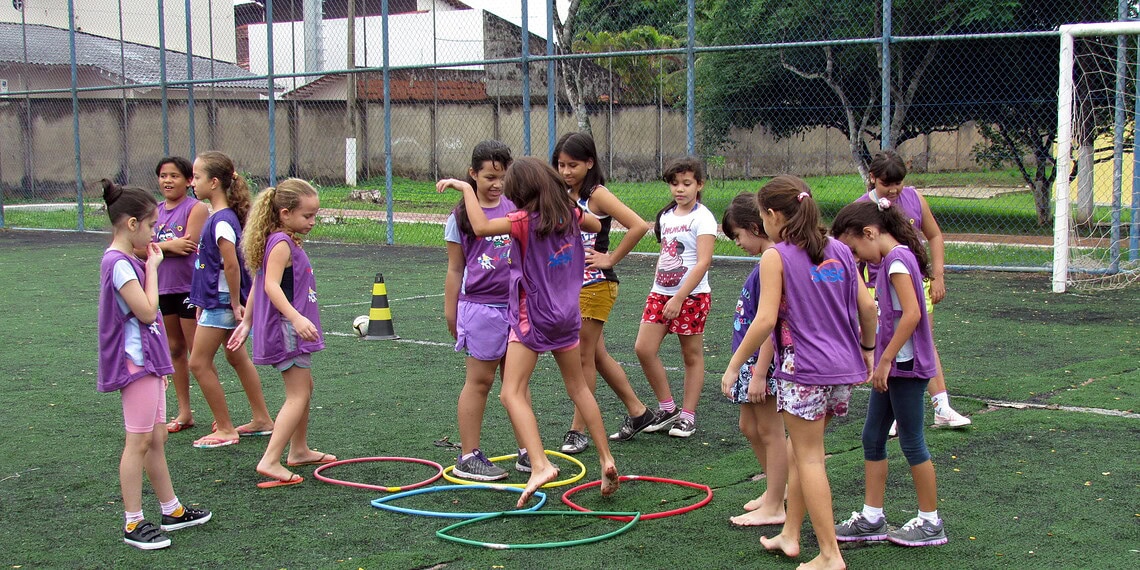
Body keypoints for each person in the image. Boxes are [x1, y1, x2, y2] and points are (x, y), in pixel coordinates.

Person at [437, 157, 621, 508]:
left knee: (511, 392)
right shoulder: (570, 214)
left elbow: (478, 226)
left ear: (521, 193)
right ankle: (606, 458)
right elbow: (598, 225)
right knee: (578, 386)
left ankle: (539, 465)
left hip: (533, 317)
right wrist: (569, 208)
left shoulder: (522, 220)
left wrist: (464, 187)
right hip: (568, 315)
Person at [720, 176, 877, 570]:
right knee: (802, 451)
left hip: (803, 369)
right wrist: (868, 351)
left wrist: (735, 364)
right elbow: (868, 308)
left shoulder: (776, 256)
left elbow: (764, 320)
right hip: (841, 369)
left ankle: (829, 554)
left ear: (772, 216)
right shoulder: (840, 249)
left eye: (761, 215)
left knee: (809, 458)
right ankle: (791, 534)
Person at [98, 179, 212, 550]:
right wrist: (153, 269)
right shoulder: (120, 263)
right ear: (132, 224)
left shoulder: (128, 259)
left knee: (157, 438)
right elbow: (147, 312)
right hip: (135, 364)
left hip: (149, 361)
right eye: (150, 227)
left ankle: (171, 509)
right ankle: (133, 522)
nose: (154, 235)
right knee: (139, 441)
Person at [830, 198, 949, 547]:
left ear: (870, 233)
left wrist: (885, 361)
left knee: (912, 441)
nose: (855, 257)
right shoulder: (892, 260)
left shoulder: (896, 261)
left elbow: (912, 315)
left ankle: (930, 522)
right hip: (895, 366)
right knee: (872, 437)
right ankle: (872, 517)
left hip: (906, 368)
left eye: (854, 248)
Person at [228, 178, 336, 488]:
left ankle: (299, 450)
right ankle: (270, 459)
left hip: (288, 326)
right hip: (288, 329)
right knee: (298, 394)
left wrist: (246, 322)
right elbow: (270, 286)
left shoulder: (282, 240)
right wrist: (296, 317)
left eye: (315, 215)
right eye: (307, 216)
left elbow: (260, 284)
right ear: (285, 213)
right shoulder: (281, 244)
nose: (312, 222)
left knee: (306, 388)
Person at [551, 132, 653, 454]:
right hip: (571, 287)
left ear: (589, 163)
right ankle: (639, 412)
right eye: (560, 165)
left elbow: (638, 225)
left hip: (595, 285)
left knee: (582, 357)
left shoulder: (597, 195)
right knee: (596, 354)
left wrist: (610, 258)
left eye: (573, 165)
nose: (566, 171)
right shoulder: (563, 194)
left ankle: (577, 430)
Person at [858, 150, 971, 431]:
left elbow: (934, 235)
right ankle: (896, 410)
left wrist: (938, 276)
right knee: (888, 348)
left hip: (916, 283)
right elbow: (851, 256)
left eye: (899, 183)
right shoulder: (861, 210)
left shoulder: (914, 198)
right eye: (887, 183)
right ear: (872, 179)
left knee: (923, 341)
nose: (895, 189)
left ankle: (941, 407)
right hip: (879, 289)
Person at [187, 151, 274, 448]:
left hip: (222, 301)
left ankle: (225, 429)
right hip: (219, 299)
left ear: (214, 183)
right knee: (236, 356)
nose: (192, 182)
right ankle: (262, 418)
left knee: (198, 363)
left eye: (196, 177)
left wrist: (235, 302)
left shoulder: (221, 220)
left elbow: (232, 265)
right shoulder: (219, 217)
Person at [443, 141, 516, 481]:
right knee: (480, 381)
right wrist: (450, 311)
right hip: (480, 308)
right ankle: (468, 455)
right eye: (488, 176)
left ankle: (527, 451)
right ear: (472, 174)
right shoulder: (459, 217)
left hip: (516, 307)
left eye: (501, 176)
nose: (496, 184)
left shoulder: (515, 207)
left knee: (517, 381)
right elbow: (455, 269)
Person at [634, 156, 717, 438]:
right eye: (674, 183)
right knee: (644, 349)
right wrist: (661, 291)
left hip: (691, 297)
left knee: (690, 355)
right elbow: (666, 254)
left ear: (699, 184)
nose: (679, 189)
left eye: (686, 183)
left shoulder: (703, 217)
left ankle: (688, 416)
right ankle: (668, 408)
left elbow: (703, 261)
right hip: (660, 293)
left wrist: (680, 297)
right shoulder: (666, 216)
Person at [719, 192, 788, 527]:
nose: (737, 243)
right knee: (749, 426)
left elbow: (771, 324)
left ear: (755, 226)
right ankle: (776, 488)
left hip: (762, 363)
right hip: (749, 361)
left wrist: (760, 371)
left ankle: (777, 500)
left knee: (771, 430)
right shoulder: (766, 260)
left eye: (738, 236)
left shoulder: (772, 260)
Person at [152, 157, 209, 433]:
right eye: (163, 175)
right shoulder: (155, 210)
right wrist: (169, 245)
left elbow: (189, 244)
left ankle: (219, 415)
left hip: (188, 287)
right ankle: (184, 412)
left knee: (197, 352)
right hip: (162, 288)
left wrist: (160, 246)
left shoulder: (195, 208)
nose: (167, 181)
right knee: (174, 349)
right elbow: (142, 248)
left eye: (174, 176)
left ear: (188, 180)